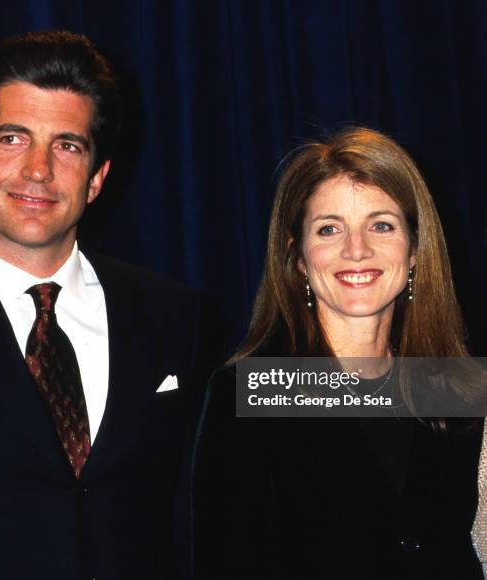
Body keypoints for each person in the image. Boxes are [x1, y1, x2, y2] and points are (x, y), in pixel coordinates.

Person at [0, 30, 213, 580]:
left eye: (67, 145)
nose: (38, 168)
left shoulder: (176, 315)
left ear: (97, 179)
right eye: (12, 138)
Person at [193, 127, 485, 579]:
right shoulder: (252, 391)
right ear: (298, 258)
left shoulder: (457, 387)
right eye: (329, 229)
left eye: (381, 225)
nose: (357, 250)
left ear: (414, 251)